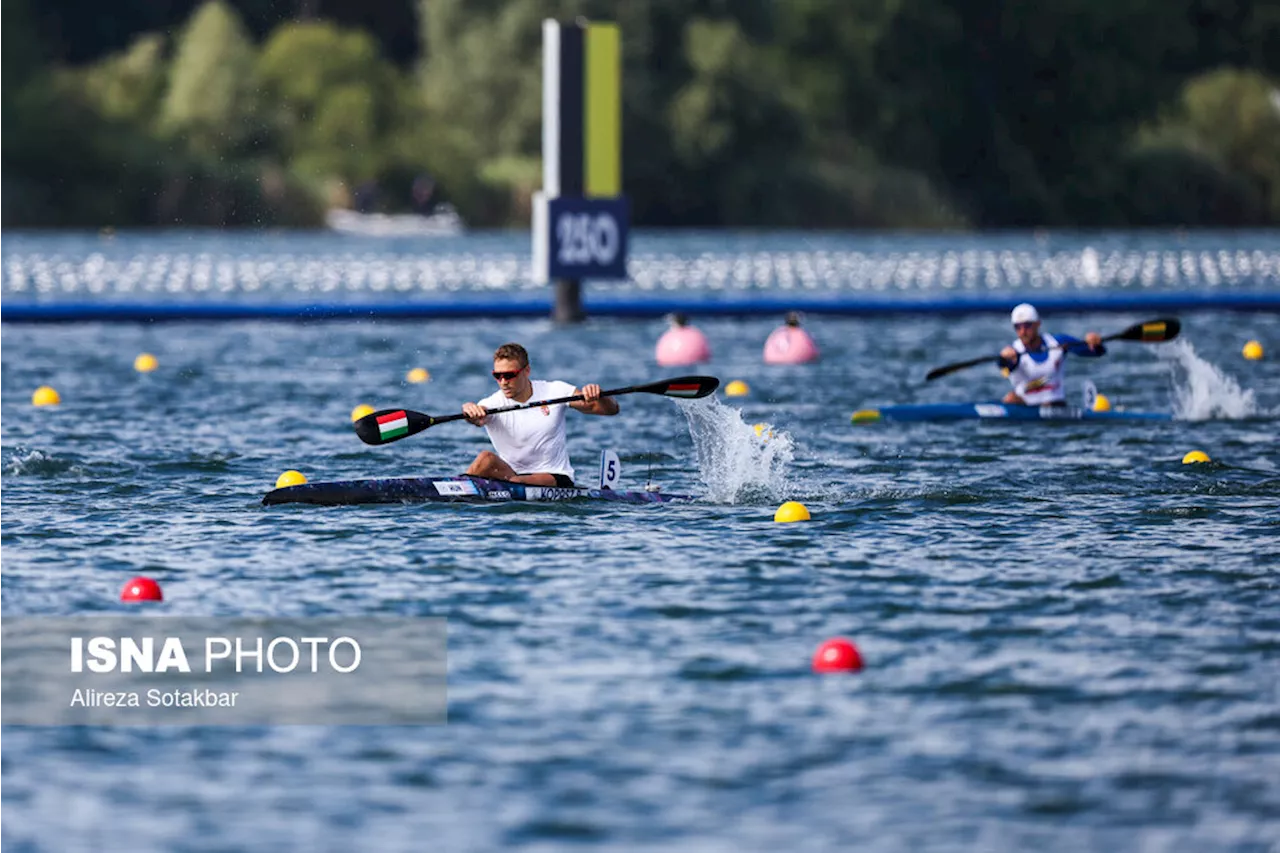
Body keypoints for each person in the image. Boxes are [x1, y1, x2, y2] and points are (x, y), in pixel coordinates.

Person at [462, 343, 618, 486]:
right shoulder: (491, 404)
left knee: (515, 481)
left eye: (509, 375)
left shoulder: (555, 391)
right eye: (498, 376)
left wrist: (601, 395)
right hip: (511, 476)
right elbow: (477, 419)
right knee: (485, 458)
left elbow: (610, 410)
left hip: (555, 477)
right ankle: (459, 488)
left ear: (527, 371)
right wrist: (469, 412)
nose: (503, 382)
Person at [998, 303, 1105, 405]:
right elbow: (1003, 367)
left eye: (1027, 325)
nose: (1022, 331)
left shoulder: (1058, 343)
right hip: (1024, 406)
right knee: (1010, 398)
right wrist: (1003, 359)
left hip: (1055, 405)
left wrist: (1095, 343)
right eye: (1018, 327)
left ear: (1038, 324)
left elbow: (1096, 352)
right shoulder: (1013, 352)